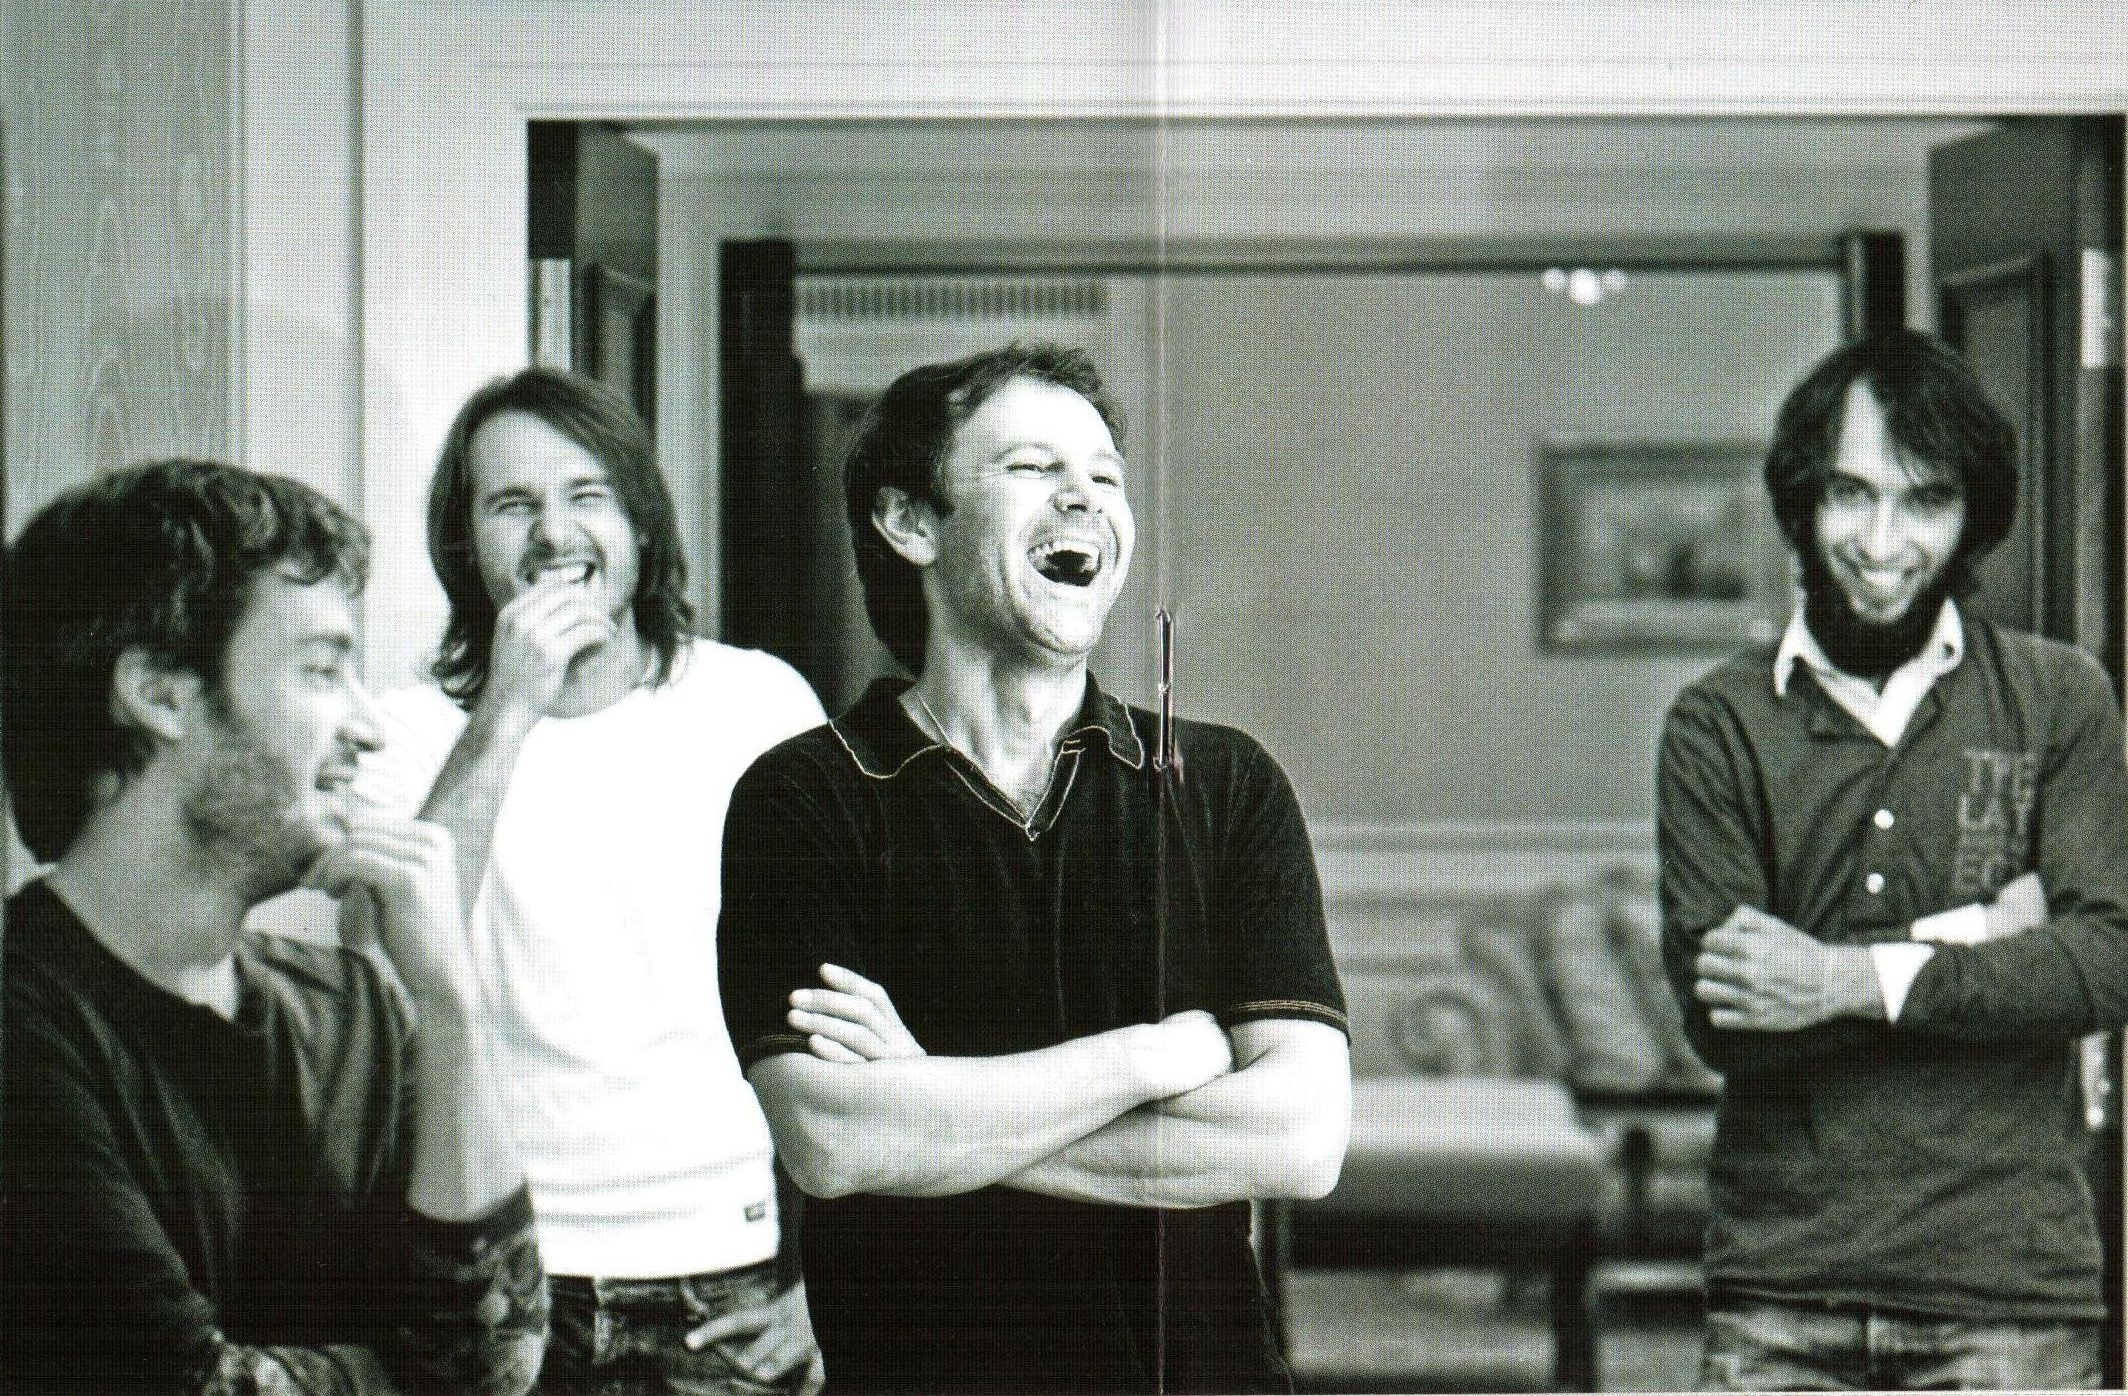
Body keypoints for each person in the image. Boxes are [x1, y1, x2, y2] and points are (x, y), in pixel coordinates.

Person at [717, 342, 1352, 1395]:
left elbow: (1300, 1140)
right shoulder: (804, 797)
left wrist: (928, 1110)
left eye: (1104, 476)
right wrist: (1153, 1058)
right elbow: (832, 1140)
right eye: (1031, 468)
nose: (1084, 498)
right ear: (909, 521)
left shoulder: (1225, 784)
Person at [1, 460, 546, 1394]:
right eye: (323, 670)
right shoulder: (24, 1026)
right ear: (161, 693)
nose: (368, 729)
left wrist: (451, 1006)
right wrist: (417, 1372)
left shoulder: (355, 1008)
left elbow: (496, 1365)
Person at [1658, 330, 2128, 1390]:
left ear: (1971, 518)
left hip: (2012, 1298)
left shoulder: (2060, 698)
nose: (1881, 542)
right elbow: (1728, 1022)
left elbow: (2105, 964)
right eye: (1850, 495)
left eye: (1925, 501)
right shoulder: (1715, 724)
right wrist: (1986, 933)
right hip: (1780, 1295)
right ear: (1801, 502)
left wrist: (1837, 977)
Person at [348, 368, 826, 1395]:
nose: (554, 533)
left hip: (725, 1267)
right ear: (464, 545)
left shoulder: (759, 705)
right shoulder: (400, 733)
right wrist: (509, 709)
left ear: (641, 526)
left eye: (587, 495)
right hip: (495, 1270)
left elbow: (846, 995)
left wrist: (832, 1278)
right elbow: (381, 976)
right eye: (511, 504)